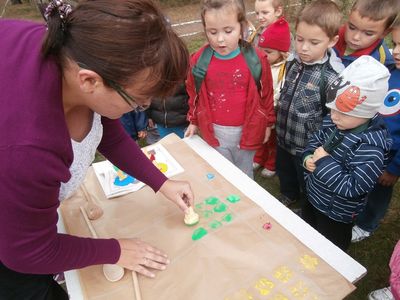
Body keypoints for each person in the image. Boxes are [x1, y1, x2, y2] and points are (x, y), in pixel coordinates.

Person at [0, 0, 193, 298]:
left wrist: (161, 182)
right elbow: (27, 252)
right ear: (89, 81)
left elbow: (104, 128)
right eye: (139, 101)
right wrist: (116, 250)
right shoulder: (28, 151)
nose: (141, 108)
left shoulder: (72, 50)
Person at [302, 55, 391, 251]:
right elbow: (316, 140)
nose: (333, 116)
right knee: (307, 234)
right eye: (332, 109)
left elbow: (354, 187)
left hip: (336, 213)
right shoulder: (334, 121)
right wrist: (308, 156)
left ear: (366, 112)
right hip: (313, 195)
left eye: (342, 112)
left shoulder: (371, 150)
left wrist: (323, 163)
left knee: (331, 249)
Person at [184, 0, 275, 179]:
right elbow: (193, 92)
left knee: (244, 175)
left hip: (248, 130)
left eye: (228, 31)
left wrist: (268, 123)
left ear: (242, 26)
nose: (220, 39)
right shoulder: (199, 60)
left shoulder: (256, 59)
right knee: (222, 174)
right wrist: (194, 120)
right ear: (205, 29)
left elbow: (266, 93)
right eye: (212, 32)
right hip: (215, 132)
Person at [275, 0, 344, 207]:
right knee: (285, 171)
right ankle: (288, 194)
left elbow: (332, 119)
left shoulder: (331, 78)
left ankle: (306, 205)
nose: (304, 48)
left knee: (306, 179)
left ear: (332, 41)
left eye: (314, 43)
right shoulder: (292, 63)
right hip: (283, 137)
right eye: (299, 39)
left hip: (306, 147)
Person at [350, 7, 400, 243]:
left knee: (379, 191)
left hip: (389, 159)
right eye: (396, 44)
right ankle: (354, 213)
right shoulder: (390, 70)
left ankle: (367, 223)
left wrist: (394, 169)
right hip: (368, 144)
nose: (396, 52)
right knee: (361, 183)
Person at [253, 17, 290, 177]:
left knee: (273, 140)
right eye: (261, 50)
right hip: (259, 108)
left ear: (282, 52)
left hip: (274, 110)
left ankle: (271, 163)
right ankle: (259, 157)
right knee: (260, 135)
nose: (263, 54)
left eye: (268, 52)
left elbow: (281, 90)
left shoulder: (285, 69)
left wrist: (270, 103)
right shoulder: (260, 63)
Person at [333, 0, 398, 68]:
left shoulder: (378, 63)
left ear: (384, 33)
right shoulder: (330, 32)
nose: (356, 37)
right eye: (352, 27)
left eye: (368, 33)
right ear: (349, 16)